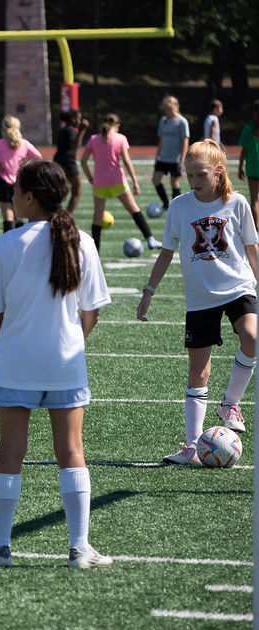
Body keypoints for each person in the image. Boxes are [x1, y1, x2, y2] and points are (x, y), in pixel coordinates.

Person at [0, 158, 112, 569]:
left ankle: (1, 548)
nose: (11, 197)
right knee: (71, 451)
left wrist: (17, 348)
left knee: (10, 452)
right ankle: (79, 548)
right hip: (65, 362)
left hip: (16, 362)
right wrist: (67, 343)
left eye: (15, 191)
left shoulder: (5, 245)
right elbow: (91, 313)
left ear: (30, 197)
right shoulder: (83, 242)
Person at [136, 140, 259, 466]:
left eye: (200, 173)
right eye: (188, 174)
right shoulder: (179, 206)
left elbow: (251, 248)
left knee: (252, 337)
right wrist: (149, 289)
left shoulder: (237, 203)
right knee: (198, 371)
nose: (193, 180)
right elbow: (166, 251)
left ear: (219, 171)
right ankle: (192, 447)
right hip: (200, 298)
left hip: (238, 287)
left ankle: (230, 403)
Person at [80, 113, 161, 252]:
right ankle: (150, 239)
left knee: (97, 218)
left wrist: (90, 179)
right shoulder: (121, 138)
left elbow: (83, 161)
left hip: (100, 183)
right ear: (117, 126)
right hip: (117, 181)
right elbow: (127, 161)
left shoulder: (93, 139)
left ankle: (96, 252)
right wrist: (135, 181)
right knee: (134, 210)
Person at [0, 115, 42, 233]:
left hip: (2, 182)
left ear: (3, 130)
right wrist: (26, 168)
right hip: (20, 183)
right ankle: (21, 242)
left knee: (7, 216)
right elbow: (38, 157)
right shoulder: (24, 143)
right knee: (19, 217)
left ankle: (7, 245)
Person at [153, 95, 190, 212]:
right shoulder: (163, 121)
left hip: (175, 158)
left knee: (174, 181)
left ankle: (176, 207)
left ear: (176, 107)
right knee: (155, 179)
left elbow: (185, 141)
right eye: (166, 109)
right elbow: (161, 139)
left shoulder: (182, 122)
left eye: (170, 108)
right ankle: (165, 203)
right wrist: (157, 155)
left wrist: (181, 159)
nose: (168, 111)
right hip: (163, 157)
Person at [54, 108, 90, 213]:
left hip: (59, 161)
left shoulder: (63, 130)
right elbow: (73, 145)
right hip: (68, 163)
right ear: (73, 119)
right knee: (77, 191)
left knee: (61, 191)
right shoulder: (70, 130)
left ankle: (56, 213)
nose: (79, 121)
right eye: (78, 119)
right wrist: (83, 129)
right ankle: (68, 215)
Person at [237, 100, 259, 228]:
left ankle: (256, 229)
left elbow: (243, 151)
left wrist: (240, 167)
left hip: (253, 167)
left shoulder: (249, 128)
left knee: (255, 199)